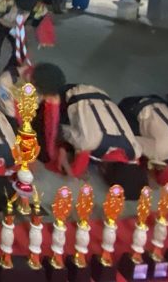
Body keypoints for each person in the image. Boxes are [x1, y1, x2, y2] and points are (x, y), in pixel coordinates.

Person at [24, 65, 147, 198]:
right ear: (105, 170)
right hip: (70, 94)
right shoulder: (88, 142)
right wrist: (67, 159)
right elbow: (60, 132)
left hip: (100, 95)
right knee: (45, 148)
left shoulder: (135, 150)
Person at [0, 0, 54, 86]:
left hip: (17, 27)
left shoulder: (39, 7)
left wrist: (42, 37)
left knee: (20, 53)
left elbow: (43, 20)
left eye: (27, 10)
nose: (24, 12)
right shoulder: (6, 2)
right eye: (21, 8)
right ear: (16, 2)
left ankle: (6, 75)